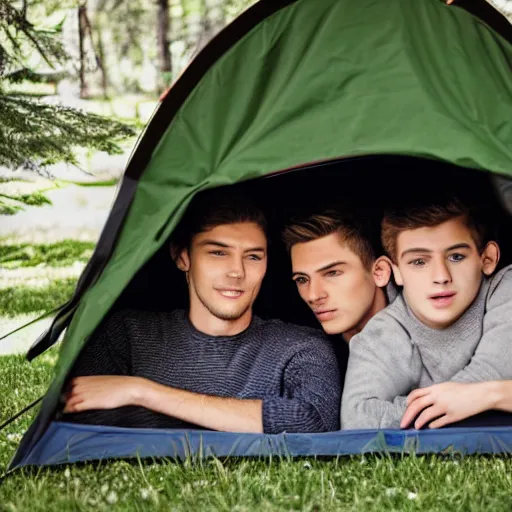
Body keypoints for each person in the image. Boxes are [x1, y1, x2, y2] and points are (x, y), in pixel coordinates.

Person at [63, 190, 341, 434]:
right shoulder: (127, 334)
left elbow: (315, 421)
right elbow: (79, 417)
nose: (237, 271)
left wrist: (141, 392)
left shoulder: (300, 346)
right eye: (218, 253)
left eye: (253, 256)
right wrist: (254, 419)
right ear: (182, 256)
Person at [341, 198, 512, 430]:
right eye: (419, 262)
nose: (441, 276)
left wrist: (489, 392)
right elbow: (357, 419)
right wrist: (490, 396)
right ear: (397, 273)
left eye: (456, 257)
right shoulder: (383, 332)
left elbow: (496, 370)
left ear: (487, 258)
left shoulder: (505, 288)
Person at [281, 211, 392, 342]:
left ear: (379, 272)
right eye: (302, 279)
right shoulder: (305, 348)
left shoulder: (416, 342)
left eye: (332, 273)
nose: (313, 296)